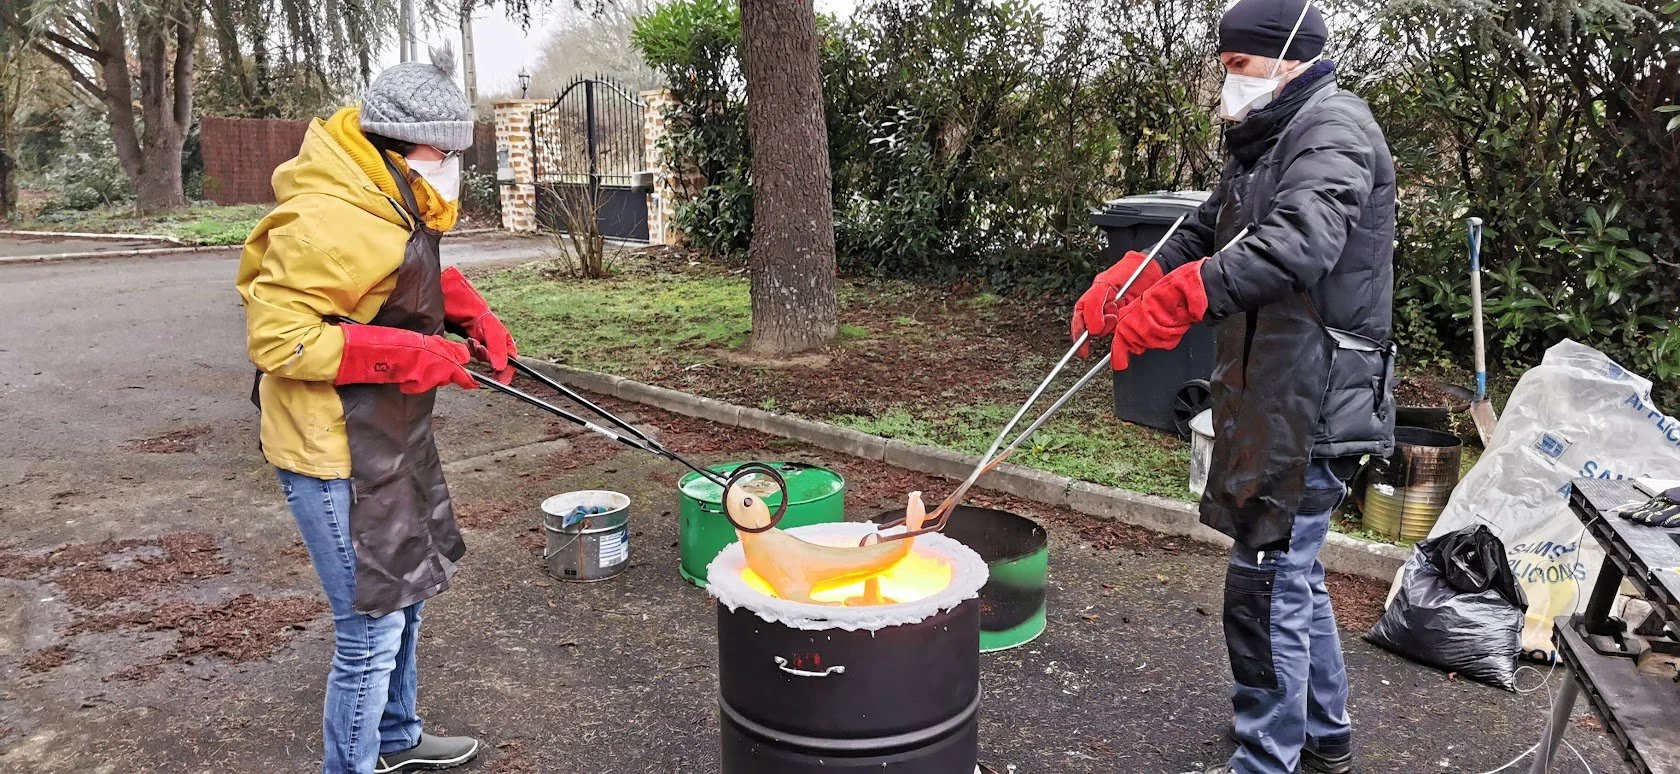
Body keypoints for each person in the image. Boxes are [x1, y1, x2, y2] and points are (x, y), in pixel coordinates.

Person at [1070, 1, 1395, 772]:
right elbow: (1207, 225)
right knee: (1295, 577)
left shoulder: (1333, 129)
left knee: (1265, 585)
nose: (1228, 82)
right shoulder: (1266, 137)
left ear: (1284, 56)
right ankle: (1323, 735)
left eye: (1237, 65)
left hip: (1316, 395)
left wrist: (1183, 298)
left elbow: (1301, 242)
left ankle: (1265, 758)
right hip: (1272, 387)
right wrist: (1136, 273)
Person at [236, 44, 518, 774]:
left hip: (392, 434)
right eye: (441, 148)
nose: (452, 160)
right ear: (393, 144)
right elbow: (280, 338)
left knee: (410, 590)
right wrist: (408, 354)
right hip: (331, 450)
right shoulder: (324, 216)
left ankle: (396, 739)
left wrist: (466, 310)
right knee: (371, 624)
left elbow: (393, 267)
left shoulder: (389, 194)